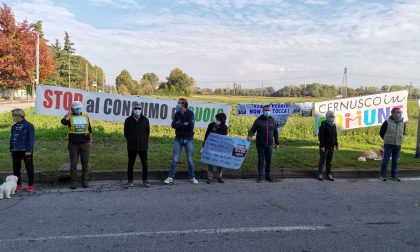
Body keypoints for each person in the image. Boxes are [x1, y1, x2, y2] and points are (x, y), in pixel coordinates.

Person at [163, 98, 198, 184]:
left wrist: (179, 125)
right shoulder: (177, 114)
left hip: (189, 139)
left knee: (189, 159)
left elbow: (190, 126)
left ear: (183, 105)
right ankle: (170, 177)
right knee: (175, 159)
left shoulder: (190, 113)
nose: (177, 104)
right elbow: (173, 125)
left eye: (179, 103)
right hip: (178, 139)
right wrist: (183, 124)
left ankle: (192, 177)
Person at [61, 101, 92, 189]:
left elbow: (89, 129)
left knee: (85, 163)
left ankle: (84, 180)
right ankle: (74, 181)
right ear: (72, 109)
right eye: (76, 108)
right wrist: (69, 113)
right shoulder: (69, 117)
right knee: (73, 164)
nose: (79, 110)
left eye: (80, 108)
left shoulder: (85, 116)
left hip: (84, 143)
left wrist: (91, 141)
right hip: (73, 144)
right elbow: (63, 122)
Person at [247, 105, 279, 183]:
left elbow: (275, 133)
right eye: (265, 110)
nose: (267, 112)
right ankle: (260, 176)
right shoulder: (258, 120)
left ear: (270, 111)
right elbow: (252, 130)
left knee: (269, 161)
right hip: (260, 144)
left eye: (268, 110)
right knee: (261, 160)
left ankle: (268, 176)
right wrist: (250, 136)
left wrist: (277, 143)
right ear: (263, 111)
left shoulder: (273, 120)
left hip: (270, 144)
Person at [124, 101, 150, 188]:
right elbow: (126, 133)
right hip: (132, 147)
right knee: (130, 165)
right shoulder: (128, 120)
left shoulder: (145, 120)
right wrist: (131, 140)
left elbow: (147, 133)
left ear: (141, 109)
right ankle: (130, 181)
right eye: (136, 108)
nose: (137, 110)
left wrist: (143, 141)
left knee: (145, 164)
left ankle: (145, 180)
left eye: (139, 108)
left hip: (143, 147)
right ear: (132, 109)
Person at [10, 109, 35, 192]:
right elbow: (12, 138)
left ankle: (31, 185)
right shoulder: (13, 127)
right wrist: (11, 148)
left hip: (25, 150)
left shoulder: (29, 126)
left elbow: (31, 139)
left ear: (19, 116)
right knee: (16, 168)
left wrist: (29, 150)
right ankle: (18, 184)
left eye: (13, 116)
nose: (12, 117)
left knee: (29, 167)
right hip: (15, 150)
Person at [379, 107, 406, 181]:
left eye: (400, 112)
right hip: (388, 144)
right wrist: (386, 139)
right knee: (386, 159)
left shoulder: (403, 123)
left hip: (398, 144)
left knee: (395, 160)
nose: (399, 114)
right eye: (397, 112)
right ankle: (383, 175)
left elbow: (403, 132)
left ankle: (394, 175)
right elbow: (381, 133)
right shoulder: (387, 122)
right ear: (392, 113)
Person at [203, 113, 228, 184]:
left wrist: (218, 128)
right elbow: (207, 134)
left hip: (219, 147)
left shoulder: (224, 127)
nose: (216, 120)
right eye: (216, 119)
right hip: (210, 146)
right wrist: (204, 144)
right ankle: (209, 177)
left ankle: (219, 177)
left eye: (217, 119)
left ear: (221, 120)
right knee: (210, 162)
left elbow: (224, 137)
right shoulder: (211, 125)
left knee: (219, 162)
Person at [318, 111, 338, 181]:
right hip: (324, 146)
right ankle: (320, 174)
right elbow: (321, 136)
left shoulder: (334, 125)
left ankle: (328, 174)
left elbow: (335, 135)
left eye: (333, 117)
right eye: (331, 117)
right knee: (322, 160)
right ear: (327, 117)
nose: (332, 118)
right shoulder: (323, 125)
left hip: (331, 146)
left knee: (329, 161)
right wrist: (322, 146)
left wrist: (336, 144)